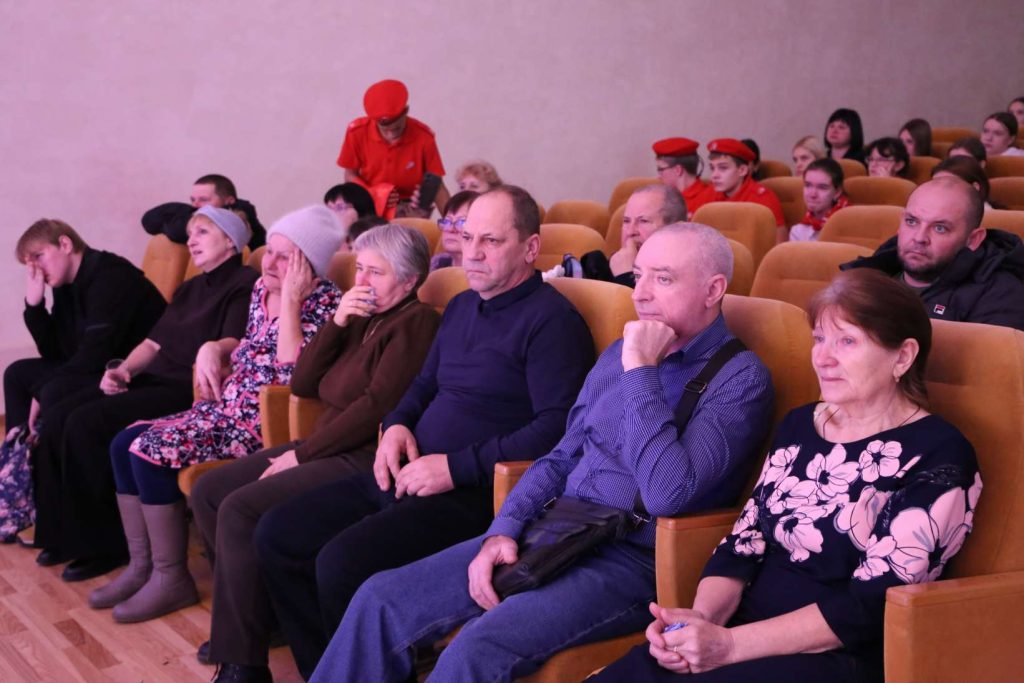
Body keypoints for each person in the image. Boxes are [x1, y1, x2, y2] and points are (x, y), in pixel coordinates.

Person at [310, 222, 775, 683]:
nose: (641, 294)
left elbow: (666, 495)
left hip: (631, 558)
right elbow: (561, 455)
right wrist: (504, 529)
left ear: (713, 289)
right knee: (380, 599)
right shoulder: (619, 352)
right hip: (558, 527)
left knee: (477, 647)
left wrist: (641, 371)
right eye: (638, 276)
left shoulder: (739, 378)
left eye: (664, 279)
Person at [252, 185, 594, 679]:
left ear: (530, 248)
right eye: (467, 238)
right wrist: (396, 425)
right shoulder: (461, 306)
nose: (472, 253)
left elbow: (556, 430)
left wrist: (455, 468)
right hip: (408, 471)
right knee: (278, 533)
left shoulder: (552, 322)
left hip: (476, 492)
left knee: (340, 563)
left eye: (491, 241)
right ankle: (329, 672)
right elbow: (423, 386)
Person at [593, 267, 981, 683]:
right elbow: (743, 544)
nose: (823, 358)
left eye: (847, 341)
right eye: (819, 339)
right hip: (742, 629)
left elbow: (869, 605)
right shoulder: (801, 424)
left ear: (902, 356)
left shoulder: (940, 454)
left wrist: (728, 646)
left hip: (835, 656)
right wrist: (699, 625)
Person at [188, 224, 441, 682]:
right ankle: (258, 615)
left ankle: (242, 664)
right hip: (324, 443)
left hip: (363, 455)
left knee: (241, 508)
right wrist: (337, 321)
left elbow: (376, 407)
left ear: (409, 280)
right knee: (209, 489)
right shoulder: (360, 314)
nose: (362, 282)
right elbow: (302, 382)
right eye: (359, 269)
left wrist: (302, 456)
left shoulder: (417, 322)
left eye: (376, 273)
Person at [90, 206, 344, 624]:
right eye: (269, 251)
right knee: (123, 443)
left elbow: (294, 373)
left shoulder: (325, 303)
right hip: (223, 407)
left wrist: (292, 300)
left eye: (285, 257)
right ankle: (144, 566)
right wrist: (216, 348)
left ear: (309, 265)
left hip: (259, 422)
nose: (269, 263)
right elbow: (249, 345)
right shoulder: (262, 289)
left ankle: (172, 578)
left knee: (148, 450)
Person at [30, 208, 257, 582]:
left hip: (187, 389)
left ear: (231, 241)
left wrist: (213, 347)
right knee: (61, 414)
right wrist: (124, 370)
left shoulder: (244, 283)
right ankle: (61, 534)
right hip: (154, 379)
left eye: (202, 232)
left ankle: (104, 545)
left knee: (86, 423)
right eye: (190, 234)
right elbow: (152, 343)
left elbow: (234, 340)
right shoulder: (190, 288)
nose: (191, 241)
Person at [5, 220, 166, 437]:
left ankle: (43, 455)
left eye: (39, 256)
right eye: (30, 263)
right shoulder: (65, 284)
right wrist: (35, 307)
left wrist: (41, 388)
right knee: (17, 374)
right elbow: (55, 352)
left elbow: (95, 353)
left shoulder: (111, 275)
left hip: (132, 373)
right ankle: (19, 453)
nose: (36, 269)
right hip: (98, 368)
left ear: (65, 244)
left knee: (53, 390)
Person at [842, 177, 1024, 329]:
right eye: (912, 221)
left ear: (973, 239)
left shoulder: (1002, 295)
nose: (919, 238)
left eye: (939, 228)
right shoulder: (866, 276)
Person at [336, 79, 450, 217]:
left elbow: (437, 185)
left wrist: (453, 221)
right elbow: (350, 174)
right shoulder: (357, 132)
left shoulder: (424, 137)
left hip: (409, 209)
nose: (391, 134)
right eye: (385, 129)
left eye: (396, 128)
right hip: (371, 203)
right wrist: (371, 193)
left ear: (406, 111)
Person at [142, 173, 266, 248]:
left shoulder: (238, 219)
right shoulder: (195, 211)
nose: (195, 205)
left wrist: (169, 225)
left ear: (229, 201)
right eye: (192, 200)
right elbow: (148, 221)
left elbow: (178, 232)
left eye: (204, 200)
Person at [706, 138, 786, 243]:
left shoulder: (763, 199)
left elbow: (779, 243)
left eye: (723, 168)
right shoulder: (709, 194)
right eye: (712, 168)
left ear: (742, 170)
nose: (714, 175)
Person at [653, 137, 717, 217]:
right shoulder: (662, 198)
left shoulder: (710, 197)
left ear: (678, 170)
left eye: (661, 169)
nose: (658, 176)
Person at [789, 159, 850, 242]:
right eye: (808, 185)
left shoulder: (850, 226)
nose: (812, 194)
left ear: (837, 192)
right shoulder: (798, 231)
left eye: (822, 187)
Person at [430, 189, 478, 270]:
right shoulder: (438, 263)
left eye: (461, 222)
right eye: (447, 221)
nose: (450, 229)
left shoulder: (486, 273)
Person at [322, 182, 377, 249]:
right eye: (329, 209)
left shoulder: (377, 243)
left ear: (360, 209)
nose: (332, 214)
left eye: (339, 207)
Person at [930, 156, 999, 209]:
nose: (940, 191)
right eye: (935, 184)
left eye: (949, 185)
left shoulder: (990, 219)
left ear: (974, 188)